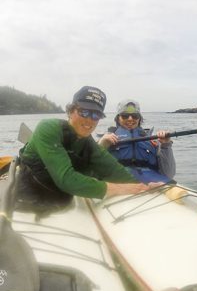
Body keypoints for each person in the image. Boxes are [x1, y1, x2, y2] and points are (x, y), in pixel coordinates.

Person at [17, 86, 155, 212]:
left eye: (96, 115)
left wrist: (143, 186)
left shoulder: (87, 142)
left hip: (60, 192)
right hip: (32, 187)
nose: (90, 120)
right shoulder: (48, 128)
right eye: (84, 112)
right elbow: (66, 179)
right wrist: (119, 188)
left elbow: (113, 169)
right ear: (71, 111)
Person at [98, 99, 175, 183]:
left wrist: (166, 145)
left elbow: (169, 174)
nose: (130, 119)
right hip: (119, 182)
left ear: (139, 118)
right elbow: (92, 170)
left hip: (152, 183)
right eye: (125, 116)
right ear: (118, 118)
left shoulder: (153, 140)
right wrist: (101, 146)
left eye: (135, 116)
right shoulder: (106, 139)